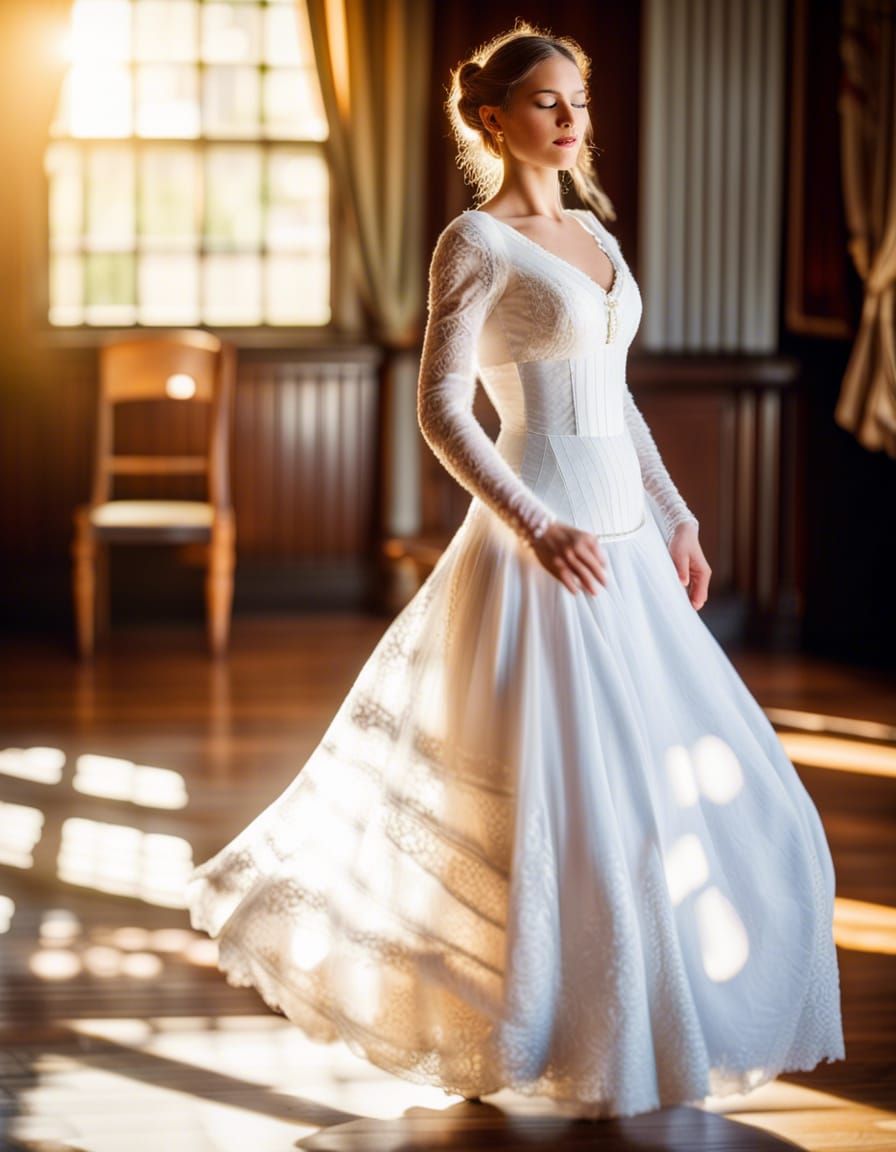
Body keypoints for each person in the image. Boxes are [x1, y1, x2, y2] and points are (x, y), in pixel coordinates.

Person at [185, 21, 845, 1121]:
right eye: (547, 100)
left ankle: (636, 1034)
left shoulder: (593, 233)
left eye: (578, 98)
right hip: (540, 546)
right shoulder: (475, 241)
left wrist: (677, 517)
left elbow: (614, 400)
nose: (571, 117)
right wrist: (535, 527)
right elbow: (441, 409)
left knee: (677, 797)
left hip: (626, 551)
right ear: (494, 119)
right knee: (554, 801)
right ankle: (535, 1025)